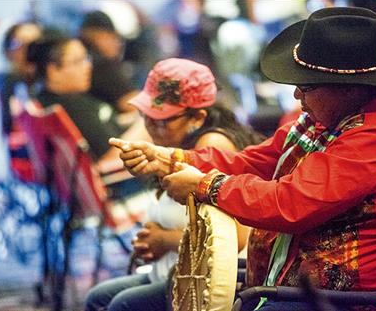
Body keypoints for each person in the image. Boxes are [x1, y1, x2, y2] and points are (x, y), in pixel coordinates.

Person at [110, 7, 376, 311]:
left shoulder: (374, 139)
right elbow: (255, 162)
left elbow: (289, 202)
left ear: (347, 89)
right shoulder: (332, 117)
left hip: (345, 302)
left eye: (306, 86)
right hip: (295, 286)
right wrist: (173, 158)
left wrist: (206, 186)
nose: (296, 95)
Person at [85, 58, 260, 311]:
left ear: (197, 117)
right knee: (98, 297)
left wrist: (164, 239)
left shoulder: (212, 146)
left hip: (211, 283)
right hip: (173, 270)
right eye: (147, 117)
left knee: (120, 305)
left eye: (162, 120)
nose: (151, 127)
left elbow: (234, 241)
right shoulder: (176, 143)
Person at [79, 10, 139, 114]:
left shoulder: (90, 59)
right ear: (96, 35)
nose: (118, 44)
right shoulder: (101, 64)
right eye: (113, 37)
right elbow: (134, 104)